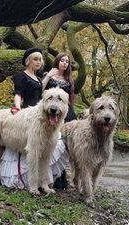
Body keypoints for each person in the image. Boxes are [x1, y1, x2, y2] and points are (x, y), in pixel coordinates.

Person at [0, 48, 69, 190]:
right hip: (27, 114)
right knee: (31, 152)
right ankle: (30, 184)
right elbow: (18, 93)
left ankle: (46, 183)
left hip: (40, 112)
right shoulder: (21, 76)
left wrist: (47, 77)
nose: (38, 62)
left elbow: (43, 94)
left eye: (40, 59)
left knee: (47, 152)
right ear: (28, 60)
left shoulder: (37, 79)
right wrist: (17, 108)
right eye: (35, 59)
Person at [43, 52, 76, 189]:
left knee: (64, 147)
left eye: (67, 61)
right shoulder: (49, 75)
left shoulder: (69, 80)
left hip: (66, 115)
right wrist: (48, 76)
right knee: (54, 145)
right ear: (57, 61)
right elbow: (41, 89)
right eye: (62, 60)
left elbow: (70, 100)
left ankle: (62, 178)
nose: (64, 63)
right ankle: (51, 177)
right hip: (51, 114)